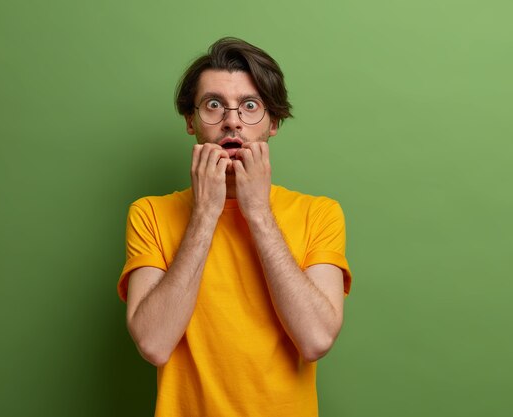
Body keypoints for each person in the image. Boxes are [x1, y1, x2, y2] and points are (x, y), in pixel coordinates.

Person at [118, 37, 352, 417]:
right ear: (190, 121)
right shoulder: (150, 214)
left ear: (273, 122)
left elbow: (316, 340)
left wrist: (257, 211)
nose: (232, 120)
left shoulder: (319, 213)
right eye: (214, 104)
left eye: (250, 105)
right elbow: (153, 344)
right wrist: (206, 213)